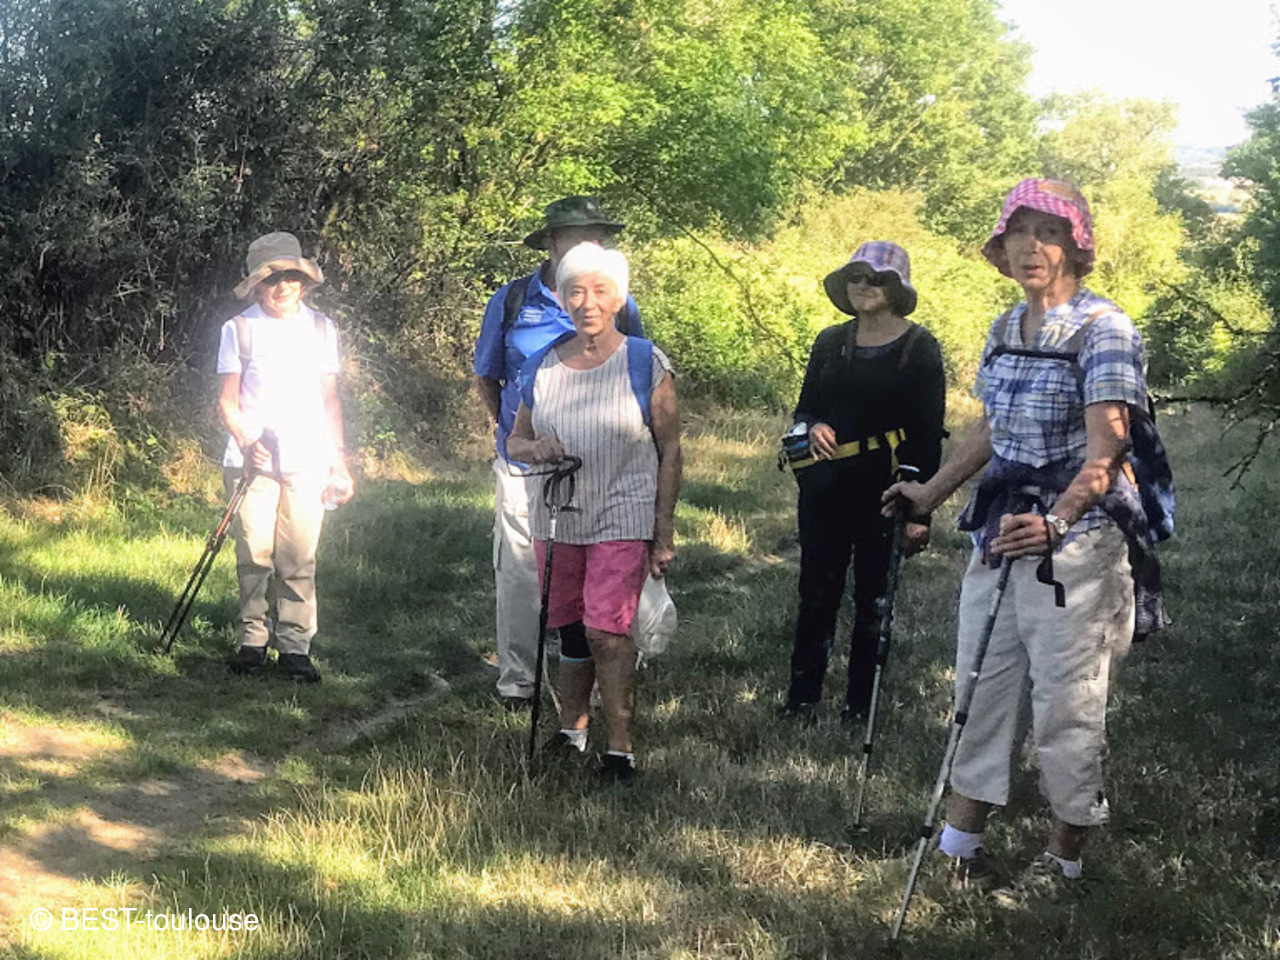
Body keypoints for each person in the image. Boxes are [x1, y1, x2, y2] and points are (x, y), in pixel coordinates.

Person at [884, 179, 1149, 885]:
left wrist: (1057, 522)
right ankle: (959, 845)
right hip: (1002, 531)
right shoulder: (1005, 329)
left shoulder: (1104, 328)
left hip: (1079, 545)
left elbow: (1108, 451)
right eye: (1018, 233)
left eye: (1049, 232)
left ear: (1076, 247)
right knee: (980, 686)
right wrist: (929, 494)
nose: (1032, 247)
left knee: (1068, 702)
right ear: (1001, 250)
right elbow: (991, 431)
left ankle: (1064, 858)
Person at [506, 241, 680, 782]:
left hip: (623, 512)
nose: (588, 302)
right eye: (576, 291)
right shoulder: (543, 365)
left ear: (619, 298)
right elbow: (515, 440)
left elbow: (671, 448)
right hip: (558, 513)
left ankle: (620, 750)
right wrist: (537, 449)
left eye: (600, 291)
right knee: (569, 627)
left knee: (607, 629)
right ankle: (572, 730)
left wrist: (663, 530)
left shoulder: (644, 361)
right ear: (562, 299)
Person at [473, 196, 644, 710]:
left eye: (597, 236)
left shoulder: (616, 300)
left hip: (601, 466)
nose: (589, 244)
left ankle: (596, 683)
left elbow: (637, 370)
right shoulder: (512, 300)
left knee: (595, 572)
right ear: (550, 243)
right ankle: (518, 683)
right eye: (576, 235)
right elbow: (488, 375)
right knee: (519, 572)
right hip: (523, 463)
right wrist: (517, 431)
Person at [778, 242, 946, 724]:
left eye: (876, 279)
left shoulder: (920, 347)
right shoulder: (830, 341)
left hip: (887, 492)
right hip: (825, 488)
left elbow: (926, 433)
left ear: (897, 290)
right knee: (816, 593)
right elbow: (805, 408)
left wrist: (919, 512)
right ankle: (801, 699)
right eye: (855, 277)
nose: (863, 285)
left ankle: (860, 708)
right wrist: (812, 426)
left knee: (874, 599)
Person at [217, 231, 354, 682]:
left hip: (308, 454)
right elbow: (227, 401)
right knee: (254, 552)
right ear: (257, 285)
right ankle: (252, 639)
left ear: (304, 282)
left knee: (298, 556)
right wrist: (245, 439)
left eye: (291, 278)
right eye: (272, 280)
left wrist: (339, 462)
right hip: (252, 460)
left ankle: (295, 646)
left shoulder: (322, 329)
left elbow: (329, 401)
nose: (283, 287)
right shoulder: (238, 329)